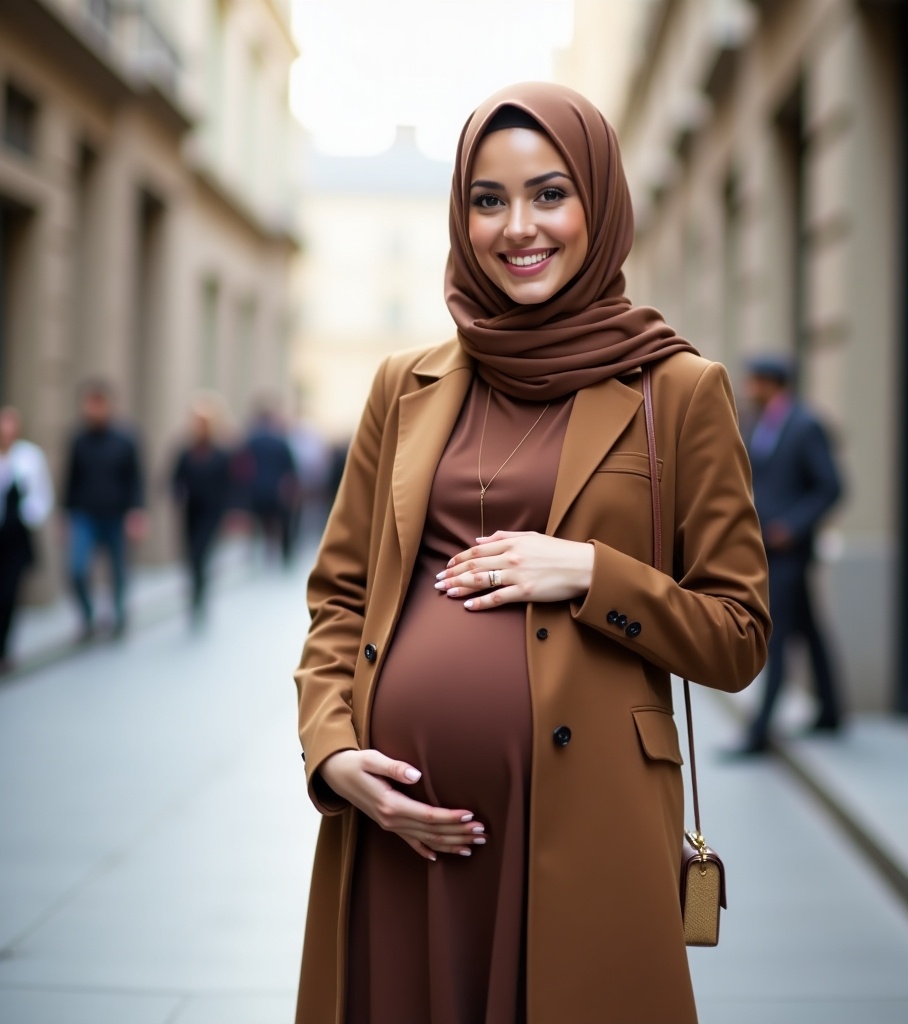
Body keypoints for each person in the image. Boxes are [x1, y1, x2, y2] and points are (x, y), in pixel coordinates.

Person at [293, 83, 770, 1024]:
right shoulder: (406, 386)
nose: (519, 227)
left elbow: (739, 635)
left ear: (600, 201)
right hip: (400, 842)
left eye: (550, 194)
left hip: (586, 828)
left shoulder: (676, 391)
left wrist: (594, 574)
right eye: (488, 200)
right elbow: (339, 598)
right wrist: (334, 751)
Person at [727, 354, 844, 756]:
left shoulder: (805, 425)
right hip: (765, 548)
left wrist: (791, 526)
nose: (747, 388)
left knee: (772, 635)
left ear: (770, 383)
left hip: (789, 550)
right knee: (809, 630)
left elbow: (831, 487)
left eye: (752, 381)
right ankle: (832, 712)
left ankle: (758, 733)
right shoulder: (761, 422)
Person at [63, 380, 146, 639]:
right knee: (76, 569)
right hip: (84, 514)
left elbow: (136, 478)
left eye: (98, 403)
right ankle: (88, 617)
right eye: (89, 403)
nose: (93, 409)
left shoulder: (126, 438)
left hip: (117, 514)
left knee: (118, 570)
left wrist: (137, 512)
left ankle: (119, 616)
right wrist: (64, 513)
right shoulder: (78, 439)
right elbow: (70, 478)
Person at [0, 407, 54, 672]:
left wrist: (28, 516)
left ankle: (4, 648)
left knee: (9, 592)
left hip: (16, 536)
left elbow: (42, 496)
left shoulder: (29, 457)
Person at [171, 400, 232, 624]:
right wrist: (177, 492)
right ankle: (195, 592)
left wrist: (232, 512)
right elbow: (175, 478)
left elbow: (230, 484)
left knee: (201, 553)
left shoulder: (221, 454)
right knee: (191, 556)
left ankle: (200, 595)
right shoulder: (186, 452)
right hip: (191, 511)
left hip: (212, 512)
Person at [238, 401, 298, 565]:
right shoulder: (280, 441)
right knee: (282, 523)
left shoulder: (251, 440)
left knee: (257, 524)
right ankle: (284, 554)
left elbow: (241, 466)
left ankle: (258, 554)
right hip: (277, 491)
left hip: (255, 489)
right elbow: (290, 469)